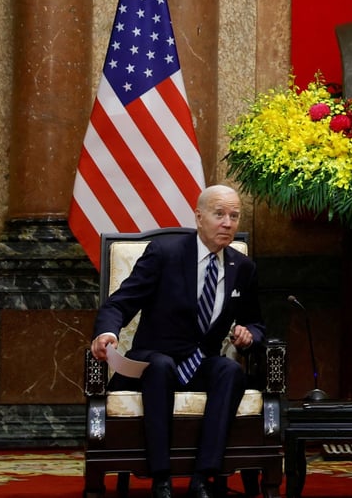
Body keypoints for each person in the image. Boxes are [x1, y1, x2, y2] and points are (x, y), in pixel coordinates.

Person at [90, 185, 265, 498]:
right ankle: (162, 479)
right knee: (160, 366)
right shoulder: (165, 254)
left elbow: (256, 322)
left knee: (230, 370)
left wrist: (249, 334)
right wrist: (108, 332)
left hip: (200, 364)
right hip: (157, 360)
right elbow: (120, 303)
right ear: (199, 217)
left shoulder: (243, 268)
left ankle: (203, 477)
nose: (227, 223)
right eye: (219, 214)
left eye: (234, 216)